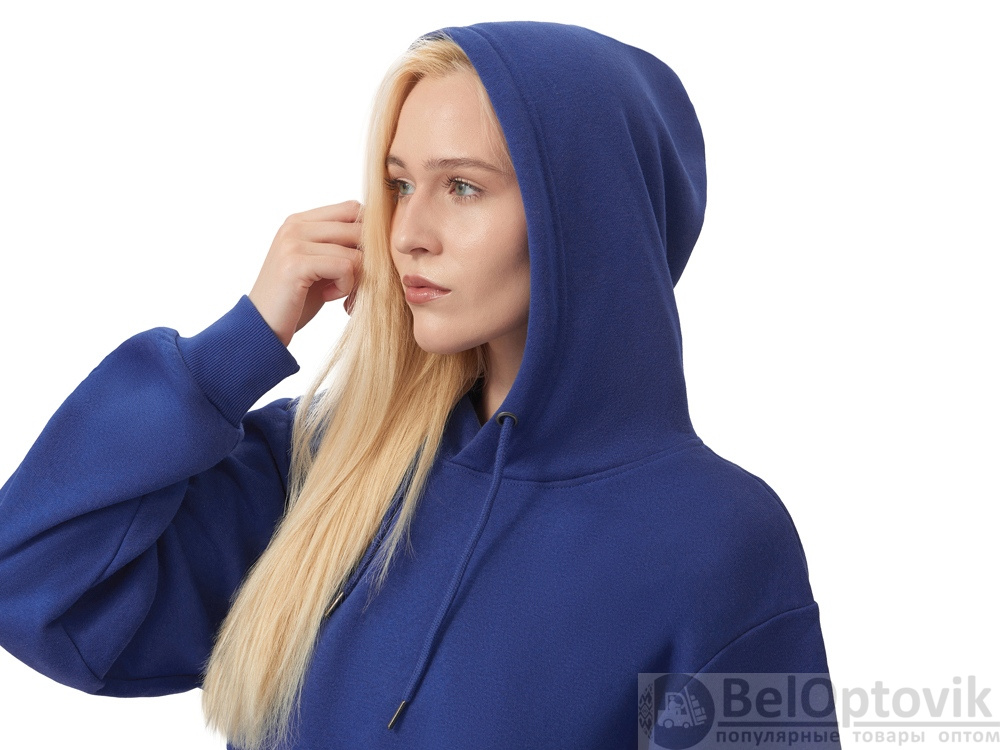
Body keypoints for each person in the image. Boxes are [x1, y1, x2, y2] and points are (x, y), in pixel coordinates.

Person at [0, 20, 838, 750]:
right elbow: (31, 580)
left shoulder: (719, 540)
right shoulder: (328, 465)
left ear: (586, 220)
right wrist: (235, 350)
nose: (407, 234)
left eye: (462, 187)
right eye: (399, 185)